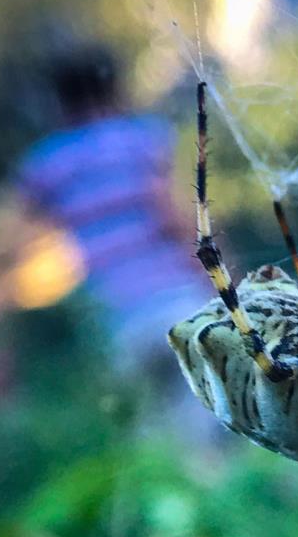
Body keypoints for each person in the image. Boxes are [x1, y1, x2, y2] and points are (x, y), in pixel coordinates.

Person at [13, 42, 207, 372]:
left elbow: (21, 246)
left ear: (59, 99)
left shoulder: (45, 163)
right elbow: (175, 219)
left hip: (114, 317)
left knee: (151, 417)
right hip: (179, 298)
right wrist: (223, 277)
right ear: (114, 86)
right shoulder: (143, 138)